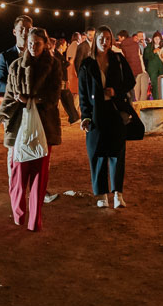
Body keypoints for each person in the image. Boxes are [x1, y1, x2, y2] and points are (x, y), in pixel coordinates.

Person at [0, 28, 62, 231]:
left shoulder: (53, 66)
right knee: (18, 172)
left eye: (37, 43)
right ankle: (19, 214)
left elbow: (53, 98)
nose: (33, 47)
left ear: (45, 44)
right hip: (19, 126)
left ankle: (35, 219)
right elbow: (8, 97)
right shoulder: (16, 66)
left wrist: (31, 100)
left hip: (44, 126)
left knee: (39, 175)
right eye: (30, 43)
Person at [77, 25, 135, 208]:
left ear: (111, 41)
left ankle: (118, 193)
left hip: (115, 112)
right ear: (95, 41)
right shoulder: (87, 65)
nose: (104, 42)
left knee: (117, 153)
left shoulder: (118, 59)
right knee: (98, 154)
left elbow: (130, 81)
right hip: (96, 114)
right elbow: (83, 94)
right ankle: (101, 194)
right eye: (101, 38)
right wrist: (85, 116)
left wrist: (115, 91)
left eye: (108, 38)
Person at [0, 15, 33, 96]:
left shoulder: (36, 55)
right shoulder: (5, 56)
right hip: (12, 102)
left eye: (28, 29)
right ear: (14, 32)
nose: (25, 32)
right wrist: (16, 89)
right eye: (21, 29)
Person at [118, 29, 150, 102]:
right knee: (136, 88)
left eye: (119, 38)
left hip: (132, 70)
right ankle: (136, 103)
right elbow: (140, 57)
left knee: (133, 89)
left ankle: (133, 103)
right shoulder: (136, 44)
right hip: (139, 69)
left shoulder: (123, 45)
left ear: (123, 37)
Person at [54, 36, 80, 123]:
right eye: (65, 45)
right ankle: (74, 117)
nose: (66, 47)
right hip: (61, 81)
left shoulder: (59, 55)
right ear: (61, 45)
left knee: (67, 100)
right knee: (67, 99)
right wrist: (70, 62)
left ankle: (73, 117)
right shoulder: (56, 55)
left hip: (63, 81)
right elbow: (60, 66)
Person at [143, 31, 163, 98]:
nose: (157, 41)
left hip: (161, 68)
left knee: (161, 83)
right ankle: (156, 98)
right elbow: (146, 56)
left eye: (158, 39)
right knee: (154, 84)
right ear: (153, 39)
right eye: (155, 39)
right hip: (152, 68)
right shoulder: (149, 46)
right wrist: (153, 52)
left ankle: (161, 97)